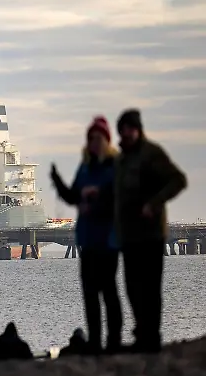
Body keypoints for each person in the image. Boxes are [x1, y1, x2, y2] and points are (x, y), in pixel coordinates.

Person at [114, 109, 187, 353]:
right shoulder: (122, 160)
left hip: (151, 234)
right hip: (129, 235)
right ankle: (142, 332)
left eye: (130, 128)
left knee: (150, 288)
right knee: (132, 286)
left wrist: (154, 204)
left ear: (138, 130)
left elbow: (178, 180)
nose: (126, 133)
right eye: (123, 129)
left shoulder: (152, 154)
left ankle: (151, 337)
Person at [50, 115, 122, 354]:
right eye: (91, 138)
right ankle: (95, 342)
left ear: (107, 140)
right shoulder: (85, 167)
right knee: (90, 294)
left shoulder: (114, 167)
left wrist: (96, 198)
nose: (94, 142)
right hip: (88, 240)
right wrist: (57, 182)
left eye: (99, 138)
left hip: (108, 240)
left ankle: (113, 341)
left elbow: (118, 197)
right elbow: (73, 196)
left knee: (108, 291)